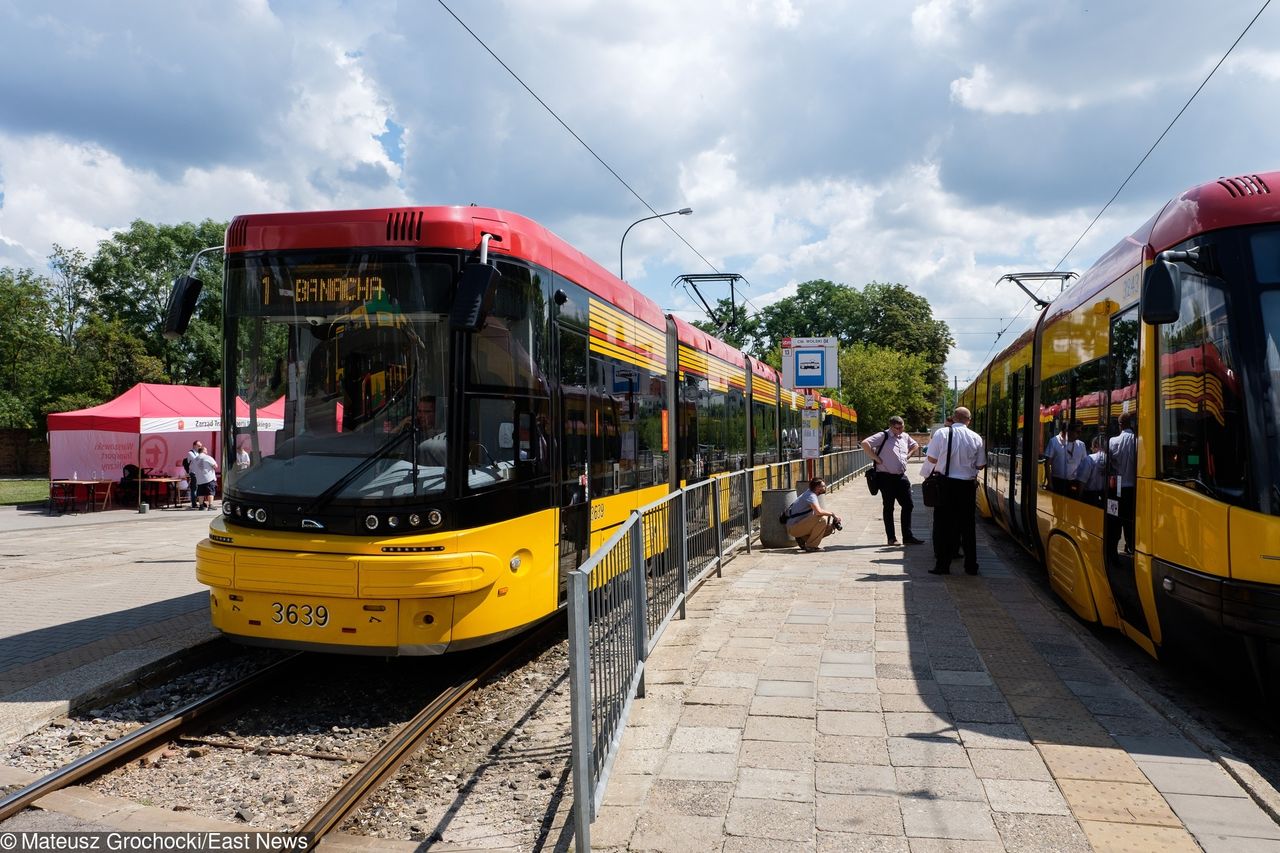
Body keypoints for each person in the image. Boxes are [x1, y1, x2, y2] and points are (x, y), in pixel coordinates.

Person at [926, 407, 986, 575]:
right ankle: (971, 566)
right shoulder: (976, 438)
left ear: (953, 418)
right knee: (968, 527)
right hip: (967, 486)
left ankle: (943, 565)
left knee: (944, 525)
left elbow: (931, 458)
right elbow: (981, 464)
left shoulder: (942, 434)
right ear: (969, 420)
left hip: (946, 484)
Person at [862, 415, 923, 545]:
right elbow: (865, 443)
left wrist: (908, 455)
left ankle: (907, 536)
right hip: (886, 477)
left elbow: (915, 445)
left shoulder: (905, 436)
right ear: (891, 427)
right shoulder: (883, 435)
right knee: (889, 507)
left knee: (908, 505)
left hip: (901, 476)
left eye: (902, 427)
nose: (900, 430)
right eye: (897, 428)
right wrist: (876, 459)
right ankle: (891, 538)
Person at [784, 477, 842, 552]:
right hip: (794, 528)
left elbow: (817, 512)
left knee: (829, 528)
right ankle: (811, 546)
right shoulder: (811, 496)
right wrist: (832, 514)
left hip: (798, 526)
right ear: (818, 488)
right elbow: (818, 512)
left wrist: (833, 522)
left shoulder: (810, 493)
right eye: (823, 486)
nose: (825, 487)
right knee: (822, 520)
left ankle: (802, 538)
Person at [1108, 411, 1137, 554]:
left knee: (1115, 519)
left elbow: (1109, 463)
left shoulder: (1113, 441)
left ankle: (1113, 548)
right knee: (1129, 520)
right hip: (1132, 487)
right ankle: (1130, 545)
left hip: (1117, 487)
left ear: (1120, 425)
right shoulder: (1136, 440)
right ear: (1130, 423)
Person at [1044, 419, 1086, 494]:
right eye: (1077, 432)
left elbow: (1084, 466)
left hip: (1074, 482)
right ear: (1067, 431)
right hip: (1057, 482)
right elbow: (1047, 464)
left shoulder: (1081, 445)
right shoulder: (1054, 442)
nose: (1080, 434)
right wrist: (1049, 482)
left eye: (1081, 431)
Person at [190, 443, 220, 511]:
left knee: (200, 493)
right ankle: (210, 505)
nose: (207, 452)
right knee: (210, 492)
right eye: (206, 450)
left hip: (199, 479)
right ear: (203, 451)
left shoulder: (195, 459)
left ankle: (201, 506)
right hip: (208, 478)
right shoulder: (208, 457)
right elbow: (215, 466)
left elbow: (192, 468)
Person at [1079, 436, 1107, 506]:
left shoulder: (1090, 459)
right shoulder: (1110, 459)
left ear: (1096, 445)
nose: (1091, 449)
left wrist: (1078, 497)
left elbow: (1082, 481)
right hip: (1105, 495)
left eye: (1092, 447)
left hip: (1089, 497)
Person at [184, 441, 201, 508]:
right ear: (194, 445)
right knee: (194, 488)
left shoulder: (199, 453)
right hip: (193, 473)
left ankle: (200, 502)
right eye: (198, 446)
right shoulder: (190, 453)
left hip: (199, 473)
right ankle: (194, 503)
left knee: (199, 488)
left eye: (200, 446)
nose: (200, 447)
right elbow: (196, 460)